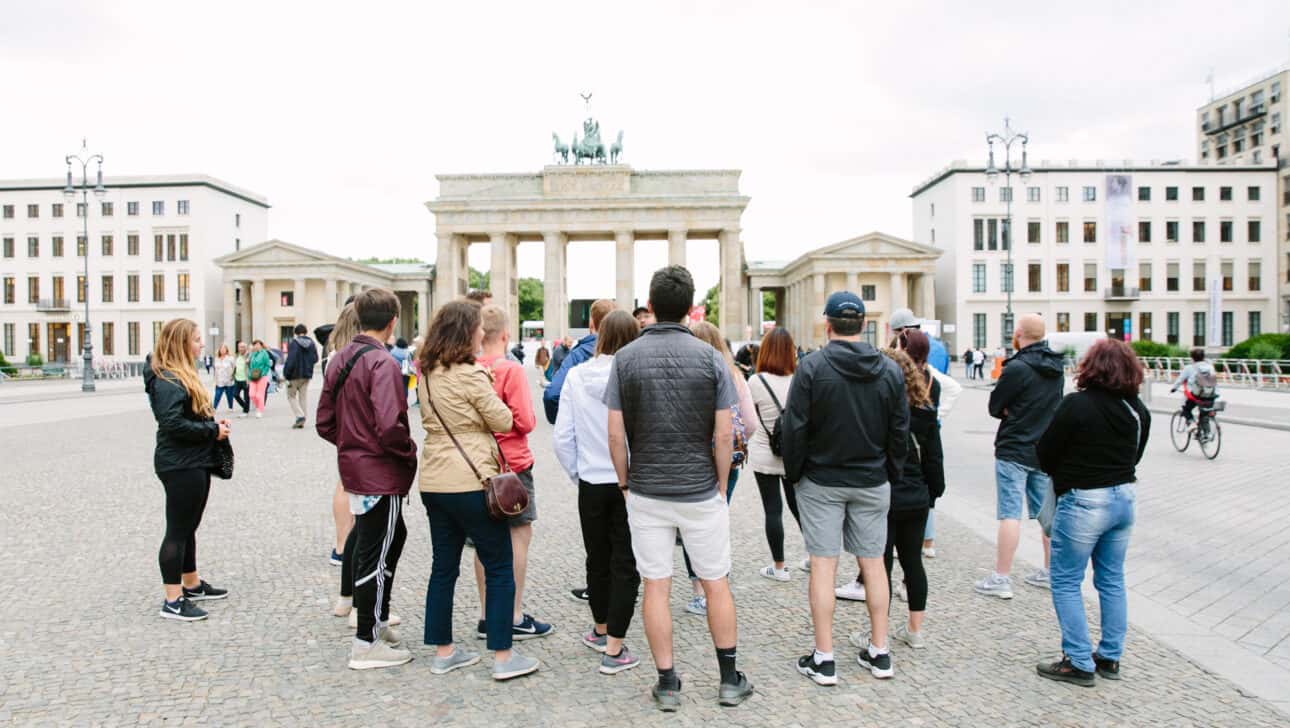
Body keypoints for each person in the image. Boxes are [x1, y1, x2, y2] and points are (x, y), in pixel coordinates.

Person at [606, 265, 754, 710]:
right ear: (691, 309)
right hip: (700, 488)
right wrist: (721, 483)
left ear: (649, 307)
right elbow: (725, 433)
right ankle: (729, 678)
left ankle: (668, 682)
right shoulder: (711, 358)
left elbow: (615, 434)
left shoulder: (625, 357)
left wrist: (625, 482)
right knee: (715, 582)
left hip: (648, 490)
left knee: (656, 584)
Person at [780, 291, 907, 685]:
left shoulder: (812, 367)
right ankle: (880, 650)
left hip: (822, 478)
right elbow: (899, 431)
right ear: (864, 325)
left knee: (823, 564)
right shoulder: (889, 370)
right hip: (871, 478)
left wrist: (795, 473)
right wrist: (891, 471)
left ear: (828, 324)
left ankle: (825, 656)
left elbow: (794, 428)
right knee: (875, 563)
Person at [417, 301, 539, 681]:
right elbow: (503, 419)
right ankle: (503, 656)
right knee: (500, 563)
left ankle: (444, 651)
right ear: (465, 332)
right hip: (470, 478)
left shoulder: (427, 373)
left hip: (434, 479)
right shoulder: (471, 374)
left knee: (443, 568)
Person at [1035, 339, 1149, 686]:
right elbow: (1136, 455)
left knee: (1067, 580)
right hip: (1124, 497)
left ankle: (1079, 660)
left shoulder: (1077, 405)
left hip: (1085, 499)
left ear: (1091, 368)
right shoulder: (1136, 410)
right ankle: (1110, 656)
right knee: (1111, 579)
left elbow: (1046, 452)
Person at [316, 288, 418, 670]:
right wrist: (407, 453)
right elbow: (391, 424)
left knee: (389, 540)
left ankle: (375, 621)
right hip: (380, 471)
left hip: (357, 468)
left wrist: (350, 444)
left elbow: (324, 421)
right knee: (376, 553)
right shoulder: (383, 363)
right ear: (393, 321)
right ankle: (366, 640)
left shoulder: (340, 358)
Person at [554, 309, 643, 674]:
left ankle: (601, 627)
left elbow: (562, 438)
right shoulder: (636, 375)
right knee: (626, 562)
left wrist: (578, 473)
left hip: (591, 480)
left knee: (597, 556)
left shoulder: (575, 376)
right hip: (630, 482)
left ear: (600, 335)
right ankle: (615, 646)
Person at [472, 304, 554, 642]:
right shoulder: (511, 370)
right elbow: (525, 421)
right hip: (513, 465)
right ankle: (514, 614)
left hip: (478, 465)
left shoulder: (469, 368)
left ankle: (486, 614)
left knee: (483, 541)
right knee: (518, 536)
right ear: (506, 335)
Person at [147, 319, 232, 622]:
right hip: (180, 463)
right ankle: (172, 599)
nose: (201, 345)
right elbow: (172, 423)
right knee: (177, 530)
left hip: (192, 460)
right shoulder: (168, 379)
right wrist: (212, 430)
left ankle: (191, 583)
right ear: (182, 343)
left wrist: (212, 427)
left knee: (188, 527)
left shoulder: (180, 375)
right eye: (196, 340)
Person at [975, 314, 1065, 599]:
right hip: (1043, 448)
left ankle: (1001, 577)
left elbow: (995, 406)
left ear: (1018, 334)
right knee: (1046, 515)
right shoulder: (1057, 367)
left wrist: (1009, 411)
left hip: (1014, 446)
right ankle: (1052, 572)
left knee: (1010, 513)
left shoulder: (1016, 368)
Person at [682, 320, 757, 616]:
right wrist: (737, 444)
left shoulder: (687, 375)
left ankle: (699, 591)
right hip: (727, 461)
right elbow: (750, 423)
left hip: (694, 458)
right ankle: (718, 580)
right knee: (717, 517)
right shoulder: (735, 376)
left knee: (691, 523)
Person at [874, 338, 943, 651]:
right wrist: (932, 494)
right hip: (916, 496)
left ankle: (880, 631)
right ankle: (915, 629)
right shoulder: (926, 412)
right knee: (913, 562)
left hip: (885, 493)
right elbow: (935, 460)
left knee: (881, 564)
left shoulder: (878, 411)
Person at [885, 315, 960, 561]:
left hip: (895, 469)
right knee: (912, 558)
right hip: (919, 463)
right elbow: (933, 452)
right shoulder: (930, 381)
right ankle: (926, 544)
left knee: (883, 552)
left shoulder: (891, 379)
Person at [747, 327, 802, 580]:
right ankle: (815, 556)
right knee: (799, 507)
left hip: (764, 450)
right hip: (794, 453)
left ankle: (779, 567)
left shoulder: (756, 381)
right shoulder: (800, 378)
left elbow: (748, 418)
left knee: (773, 509)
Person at [543, 300, 614, 424]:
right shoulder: (627, 350)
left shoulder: (578, 354)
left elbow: (552, 395)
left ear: (591, 323)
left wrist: (565, 420)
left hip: (586, 430)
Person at [283, 324, 319, 429]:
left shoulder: (294, 343)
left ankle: (300, 416)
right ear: (306, 331)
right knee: (303, 397)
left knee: (291, 396)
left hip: (294, 374)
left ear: (295, 333)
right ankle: (303, 419)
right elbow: (315, 359)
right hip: (307, 374)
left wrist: (286, 374)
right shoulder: (312, 343)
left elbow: (291, 360)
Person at [1169, 347, 1218, 424]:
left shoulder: (1189, 368)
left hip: (1195, 395)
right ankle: (1205, 432)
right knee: (1204, 412)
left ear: (1192, 358)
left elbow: (1180, 380)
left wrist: (1174, 388)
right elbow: (1214, 380)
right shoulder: (1210, 367)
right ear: (1203, 357)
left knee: (1186, 409)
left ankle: (1192, 424)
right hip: (1210, 395)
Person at [245, 340, 273, 419]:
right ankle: (258, 406)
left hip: (262, 376)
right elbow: (250, 365)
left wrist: (263, 373)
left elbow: (267, 365)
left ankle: (260, 410)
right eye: (254, 345)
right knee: (251, 394)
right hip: (253, 376)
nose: (256, 346)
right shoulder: (253, 354)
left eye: (257, 344)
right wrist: (250, 374)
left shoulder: (265, 354)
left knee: (259, 395)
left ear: (261, 345)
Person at [211, 344, 242, 414]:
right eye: (221, 349)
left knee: (229, 395)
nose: (222, 350)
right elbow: (215, 369)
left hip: (229, 380)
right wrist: (214, 379)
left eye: (224, 349)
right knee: (217, 395)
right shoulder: (216, 358)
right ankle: (214, 408)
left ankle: (230, 407)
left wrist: (233, 376)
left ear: (227, 350)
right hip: (219, 381)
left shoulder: (230, 358)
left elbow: (235, 367)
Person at [232, 341, 251, 418]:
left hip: (245, 379)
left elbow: (251, 364)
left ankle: (245, 411)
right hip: (237, 378)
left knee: (246, 396)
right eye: (240, 347)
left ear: (246, 348)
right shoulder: (237, 356)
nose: (241, 349)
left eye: (243, 347)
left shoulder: (248, 356)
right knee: (235, 394)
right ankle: (245, 406)